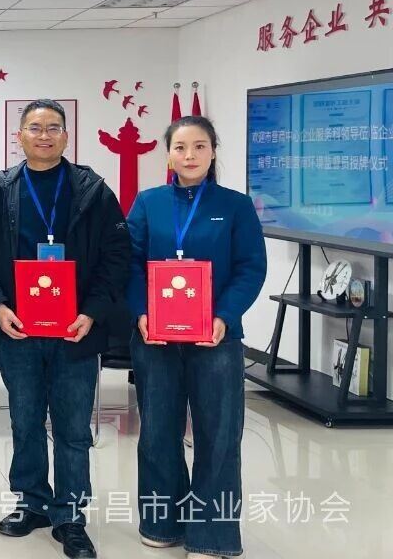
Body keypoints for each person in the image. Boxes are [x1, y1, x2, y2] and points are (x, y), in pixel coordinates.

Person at [0, 100, 130, 559]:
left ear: (66, 136)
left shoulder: (93, 191)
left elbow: (117, 257)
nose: (44, 135)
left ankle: (71, 516)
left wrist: (92, 312)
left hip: (75, 330)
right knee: (25, 421)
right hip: (19, 328)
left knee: (74, 427)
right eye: (35, 128)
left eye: (53, 128)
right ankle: (32, 503)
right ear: (19, 135)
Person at [127, 116, 266, 559]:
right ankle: (161, 522)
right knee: (157, 431)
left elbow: (250, 267)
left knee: (219, 436)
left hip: (216, 341)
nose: (190, 155)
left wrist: (224, 315)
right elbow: (128, 263)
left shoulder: (236, 205)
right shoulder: (148, 203)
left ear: (213, 152)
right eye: (181, 147)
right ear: (168, 154)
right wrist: (141, 312)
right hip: (156, 339)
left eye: (200, 146)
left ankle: (213, 536)